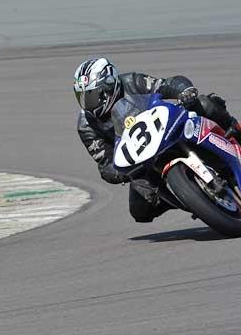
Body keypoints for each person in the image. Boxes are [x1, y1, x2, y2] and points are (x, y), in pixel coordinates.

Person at [73, 57, 241, 223]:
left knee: (205, 103)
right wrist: (118, 173)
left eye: (91, 96)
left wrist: (184, 91)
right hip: (142, 161)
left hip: (166, 127)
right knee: (140, 209)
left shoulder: (131, 81)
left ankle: (236, 133)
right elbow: (104, 162)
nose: (87, 103)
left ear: (108, 86)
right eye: (82, 97)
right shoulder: (86, 125)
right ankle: (192, 197)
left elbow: (167, 84)